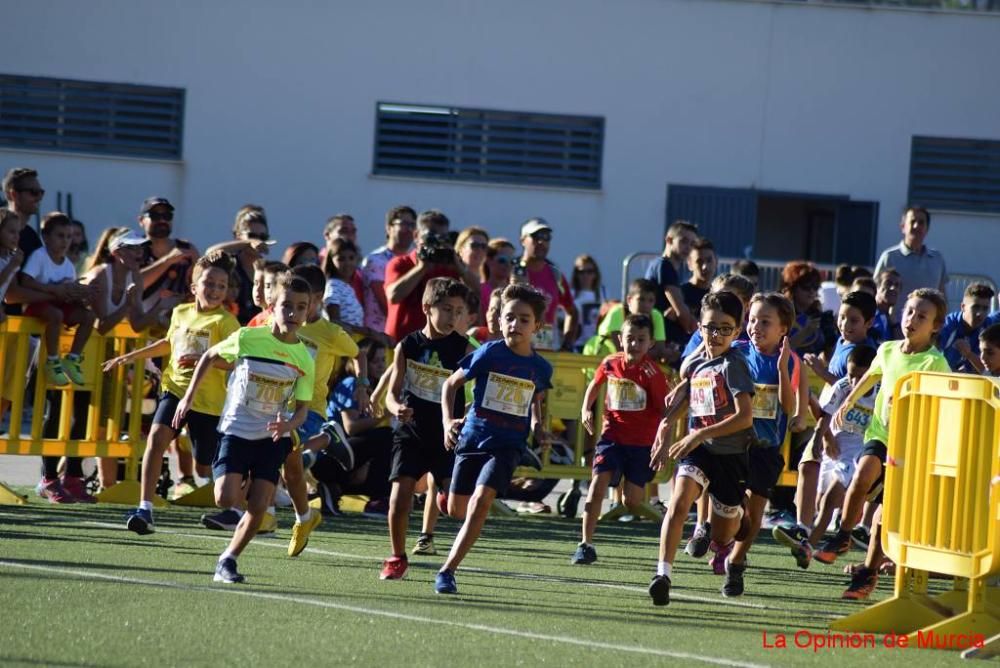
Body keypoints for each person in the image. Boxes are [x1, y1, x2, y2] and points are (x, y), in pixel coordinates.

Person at [173, 272, 316, 583]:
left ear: (309, 311)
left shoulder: (304, 358)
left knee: (259, 505)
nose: (293, 314)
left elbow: (303, 408)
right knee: (223, 498)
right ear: (272, 306)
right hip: (236, 430)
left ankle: (228, 560)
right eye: (286, 306)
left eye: (301, 307)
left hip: (271, 436)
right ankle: (239, 494)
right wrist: (187, 397)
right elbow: (210, 355)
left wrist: (289, 423)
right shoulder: (249, 338)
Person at [816, 289, 950, 600]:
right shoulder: (888, 349)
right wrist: (847, 403)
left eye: (922, 316)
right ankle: (844, 535)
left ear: (936, 326)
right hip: (880, 434)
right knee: (861, 477)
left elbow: (940, 403)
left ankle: (867, 574)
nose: (912, 319)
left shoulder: (935, 362)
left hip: (910, 446)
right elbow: (870, 378)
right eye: (909, 311)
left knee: (883, 516)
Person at [104, 252, 240, 534]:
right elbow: (169, 344)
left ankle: (242, 508)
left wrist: (206, 360)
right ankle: (145, 508)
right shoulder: (181, 313)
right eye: (209, 284)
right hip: (175, 389)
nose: (214, 290)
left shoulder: (226, 323)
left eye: (221, 286)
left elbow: (237, 361)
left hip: (208, 401)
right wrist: (129, 357)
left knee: (205, 467)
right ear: (194, 288)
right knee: (156, 438)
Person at [434, 284, 554, 594]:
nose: (516, 325)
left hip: (508, 443)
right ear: (500, 320)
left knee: (481, 501)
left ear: (537, 327)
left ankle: (447, 570)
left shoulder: (541, 367)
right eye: (510, 318)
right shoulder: (489, 352)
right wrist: (449, 421)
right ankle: (446, 498)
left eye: (524, 319)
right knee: (455, 510)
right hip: (474, 437)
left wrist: (540, 427)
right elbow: (450, 384)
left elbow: (537, 397)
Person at [647, 291, 756, 606]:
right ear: (699, 327)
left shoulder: (734, 365)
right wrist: (665, 429)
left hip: (731, 455)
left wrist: (697, 434)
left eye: (725, 328)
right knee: (679, 503)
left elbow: (744, 417)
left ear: (737, 332)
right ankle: (662, 575)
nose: (717, 334)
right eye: (711, 327)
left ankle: (738, 515)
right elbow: (688, 401)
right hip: (700, 449)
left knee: (724, 535)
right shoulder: (696, 361)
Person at [380, 278, 473, 580]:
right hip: (412, 433)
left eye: (459, 311)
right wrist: (396, 408)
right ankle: (396, 557)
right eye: (446, 309)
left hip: (448, 436)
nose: (453, 317)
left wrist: (472, 412)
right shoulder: (408, 346)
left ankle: (446, 498)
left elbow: (483, 386)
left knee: (458, 510)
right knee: (399, 497)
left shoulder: (465, 348)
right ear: (426, 308)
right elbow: (392, 393)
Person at [721, 293, 800, 596]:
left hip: (766, 447)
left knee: (755, 510)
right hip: (734, 443)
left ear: (782, 329)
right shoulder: (737, 351)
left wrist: (781, 370)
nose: (756, 326)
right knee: (732, 506)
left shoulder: (786, 361)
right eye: (752, 320)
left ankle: (736, 563)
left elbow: (790, 407)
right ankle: (708, 529)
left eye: (765, 321)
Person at [573, 314, 668, 565]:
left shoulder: (652, 373)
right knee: (596, 487)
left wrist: (662, 441)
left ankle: (626, 481)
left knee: (631, 501)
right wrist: (586, 409)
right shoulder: (610, 363)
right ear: (620, 339)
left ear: (651, 343)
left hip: (641, 443)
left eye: (641, 340)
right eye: (630, 339)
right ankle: (585, 544)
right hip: (611, 436)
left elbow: (664, 410)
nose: (634, 345)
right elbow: (595, 385)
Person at [773, 345, 877, 568]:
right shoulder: (842, 386)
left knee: (831, 500)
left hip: (856, 453)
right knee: (822, 503)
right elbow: (825, 416)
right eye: (850, 375)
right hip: (835, 448)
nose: (853, 381)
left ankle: (808, 546)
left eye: (860, 377)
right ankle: (831, 537)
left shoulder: (880, 394)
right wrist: (821, 437)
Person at [20, 212, 96, 386]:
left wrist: (82, 294)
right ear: (45, 237)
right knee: (56, 315)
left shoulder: (69, 265)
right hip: (37, 305)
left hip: (59, 307)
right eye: (60, 236)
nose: (65, 241)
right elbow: (26, 281)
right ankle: (53, 361)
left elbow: (68, 293)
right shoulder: (39, 256)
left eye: (69, 237)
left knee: (88, 316)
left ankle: (73, 358)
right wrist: (54, 289)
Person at [384, 210, 475, 342]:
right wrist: (421, 268)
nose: (437, 242)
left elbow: (476, 291)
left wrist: (459, 267)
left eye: (442, 237)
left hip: (437, 345)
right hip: (401, 344)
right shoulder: (400, 263)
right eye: (431, 237)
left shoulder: (448, 268)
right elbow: (393, 296)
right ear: (416, 235)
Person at [513, 218, 578, 351]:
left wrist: (567, 343)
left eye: (546, 237)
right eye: (536, 237)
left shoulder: (556, 275)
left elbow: (572, 311)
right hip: (515, 346)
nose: (541, 242)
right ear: (523, 240)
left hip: (545, 349)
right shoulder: (512, 270)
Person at [136, 197, 200, 329]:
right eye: (155, 216)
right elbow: (133, 284)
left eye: (167, 215)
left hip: (181, 324)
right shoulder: (135, 250)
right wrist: (167, 261)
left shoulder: (188, 250)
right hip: (143, 327)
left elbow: (200, 285)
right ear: (141, 220)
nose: (162, 220)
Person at [206, 205, 272, 325]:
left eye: (262, 237)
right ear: (238, 236)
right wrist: (247, 243)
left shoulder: (267, 270)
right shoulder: (230, 265)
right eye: (252, 235)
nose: (258, 241)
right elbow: (210, 254)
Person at [361, 205, 416, 335]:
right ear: (389, 228)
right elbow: (387, 304)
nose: (409, 229)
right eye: (403, 224)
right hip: (377, 336)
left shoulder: (414, 261)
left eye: (412, 225)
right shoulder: (376, 260)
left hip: (404, 334)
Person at [802, 291, 877, 385]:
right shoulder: (842, 340)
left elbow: (851, 389)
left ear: (869, 323)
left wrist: (822, 371)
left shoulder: (865, 353)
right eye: (842, 317)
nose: (845, 325)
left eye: (854, 320)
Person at [874, 206, 948, 301]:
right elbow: (875, 290)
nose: (916, 226)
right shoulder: (890, 257)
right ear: (903, 227)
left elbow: (942, 294)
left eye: (921, 222)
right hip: (896, 316)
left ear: (927, 228)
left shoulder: (937, 259)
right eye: (912, 221)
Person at [645, 220, 698, 336]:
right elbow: (681, 310)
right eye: (684, 241)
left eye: (692, 244)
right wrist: (696, 331)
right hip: (662, 339)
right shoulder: (664, 266)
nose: (688, 247)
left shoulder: (663, 266)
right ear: (669, 240)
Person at [597, 279, 669, 361]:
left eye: (651, 301)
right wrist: (656, 353)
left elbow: (660, 350)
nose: (646, 305)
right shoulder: (618, 312)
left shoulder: (656, 315)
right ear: (629, 300)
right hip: (597, 359)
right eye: (641, 299)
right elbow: (623, 351)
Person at [664, 237, 716, 350]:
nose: (705, 266)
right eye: (699, 261)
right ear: (689, 264)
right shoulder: (678, 294)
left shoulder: (719, 295)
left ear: (716, 262)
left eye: (709, 260)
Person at [782, 261, 837, 358]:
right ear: (793, 287)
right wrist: (806, 332)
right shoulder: (782, 314)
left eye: (815, 287)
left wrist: (830, 340)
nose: (811, 291)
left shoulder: (819, 316)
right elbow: (777, 352)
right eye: (806, 286)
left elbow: (829, 358)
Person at [938, 283, 996, 374]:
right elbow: (930, 363)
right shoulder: (946, 326)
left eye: (985, 309)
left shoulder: (989, 327)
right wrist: (953, 373)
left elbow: (991, 372)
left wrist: (969, 355)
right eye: (975, 307)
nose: (979, 314)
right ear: (963, 307)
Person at [323, 237, 365, 327]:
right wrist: (368, 332)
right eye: (341, 259)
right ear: (331, 261)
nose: (347, 263)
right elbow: (334, 322)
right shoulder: (333, 286)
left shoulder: (348, 287)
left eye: (351, 258)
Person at [570, 254, 607, 350]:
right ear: (576, 274)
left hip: (597, 345)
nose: (585, 275)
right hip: (577, 344)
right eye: (581, 272)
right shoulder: (571, 294)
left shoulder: (602, 293)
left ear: (595, 274)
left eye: (589, 271)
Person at [480, 238, 515, 321]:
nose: (508, 264)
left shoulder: (516, 292)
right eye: (502, 260)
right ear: (488, 260)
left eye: (512, 261)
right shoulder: (479, 290)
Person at [246, 261, 288, 328]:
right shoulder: (256, 320)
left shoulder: (287, 319)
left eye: (266, 285)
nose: (257, 289)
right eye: (256, 283)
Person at [870, 269, 902, 343]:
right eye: (888, 283)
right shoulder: (867, 314)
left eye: (897, 285)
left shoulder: (897, 320)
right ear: (877, 287)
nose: (893, 288)